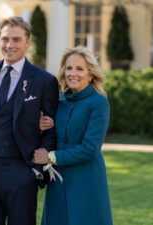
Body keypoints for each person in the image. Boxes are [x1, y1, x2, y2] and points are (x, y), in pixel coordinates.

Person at [0, 16, 59, 225]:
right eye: (5, 39)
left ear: (27, 43)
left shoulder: (44, 80)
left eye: (16, 40)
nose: (9, 45)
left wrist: (36, 169)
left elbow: (52, 129)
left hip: (21, 168)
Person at [34, 46, 113, 225]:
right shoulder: (58, 101)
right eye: (69, 68)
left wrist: (51, 156)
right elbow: (51, 134)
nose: (73, 73)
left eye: (80, 69)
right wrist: (41, 127)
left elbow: (90, 148)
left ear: (91, 74)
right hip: (58, 177)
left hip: (85, 176)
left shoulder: (99, 103)